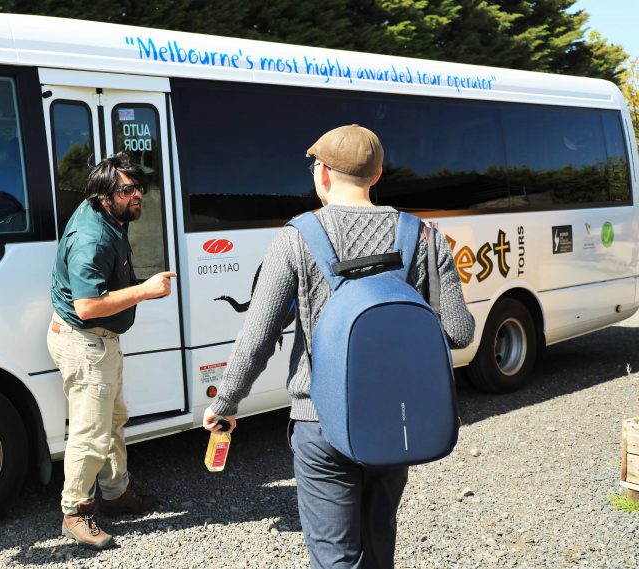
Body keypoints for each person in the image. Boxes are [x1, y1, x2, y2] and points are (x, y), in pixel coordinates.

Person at [202, 125, 475, 569]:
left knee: (334, 557)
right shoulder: (424, 236)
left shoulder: (296, 237)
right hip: (395, 420)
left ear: (323, 174)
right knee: (378, 545)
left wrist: (226, 402)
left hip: (319, 422)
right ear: (377, 175)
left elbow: (258, 337)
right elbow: (460, 332)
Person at [48, 152, 176, 549]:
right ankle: (75, 512)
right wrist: (145, 290)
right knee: (90, 433)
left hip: (100, 342)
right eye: (128, 189)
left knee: (113, 419)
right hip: (86, 342)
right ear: (104, 196)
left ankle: (117, 494)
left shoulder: (109, 218)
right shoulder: (92, 238)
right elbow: (87, 306)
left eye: (140, 187)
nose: (138, 194)